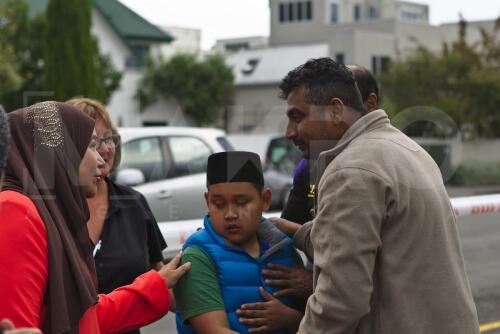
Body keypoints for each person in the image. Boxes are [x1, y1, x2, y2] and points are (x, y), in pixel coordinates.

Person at [275, 58, 479, 333]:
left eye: (297, 117)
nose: (289, 133)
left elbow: (340, 301)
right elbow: (379, 237)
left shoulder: (351, 169)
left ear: (335, 111)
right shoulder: (404, 148)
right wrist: (299, 233)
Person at [0, 101, 190, 333]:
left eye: (107, 140)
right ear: (59, 153)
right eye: (89, 145)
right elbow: (16, 325)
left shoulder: (49, 212)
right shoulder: (17, 209)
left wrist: (158, 285)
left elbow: (81, 319)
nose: (101, 158)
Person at [260, 65, 381, 304]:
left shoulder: (359, 169)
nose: (289, 133)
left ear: (367, 104)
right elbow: (297, 231)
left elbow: (349, 287)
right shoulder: (312, 164)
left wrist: (314, 283)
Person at [66, 98, 168, 332]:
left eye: (109, 138)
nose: (105, 149)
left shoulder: (134, 204)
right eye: (92, 142)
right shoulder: (48, 210)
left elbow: (159, 275)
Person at [174, 151, 303, 334]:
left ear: (265, 200)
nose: (230, 214)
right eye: (219, 204)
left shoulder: (283, 248)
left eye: (242, 202)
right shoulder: (197, 256)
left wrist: (288, 318)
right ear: (207, 201)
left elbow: (320, 319)